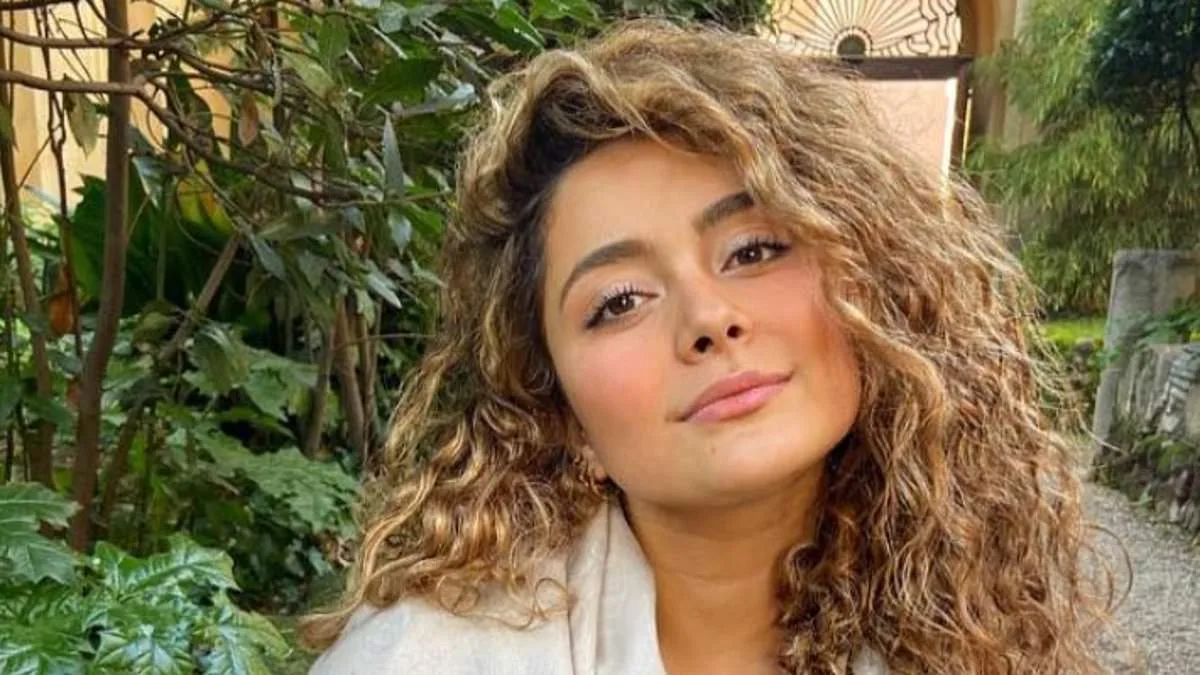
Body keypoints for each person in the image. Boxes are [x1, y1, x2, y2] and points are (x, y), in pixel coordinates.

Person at [301, 19, 1112, 674]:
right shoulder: (419, 658)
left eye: (754, 250)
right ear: (556, 408)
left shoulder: (980, 624)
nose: (709, 316)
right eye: (619, 301)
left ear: (870, 281)